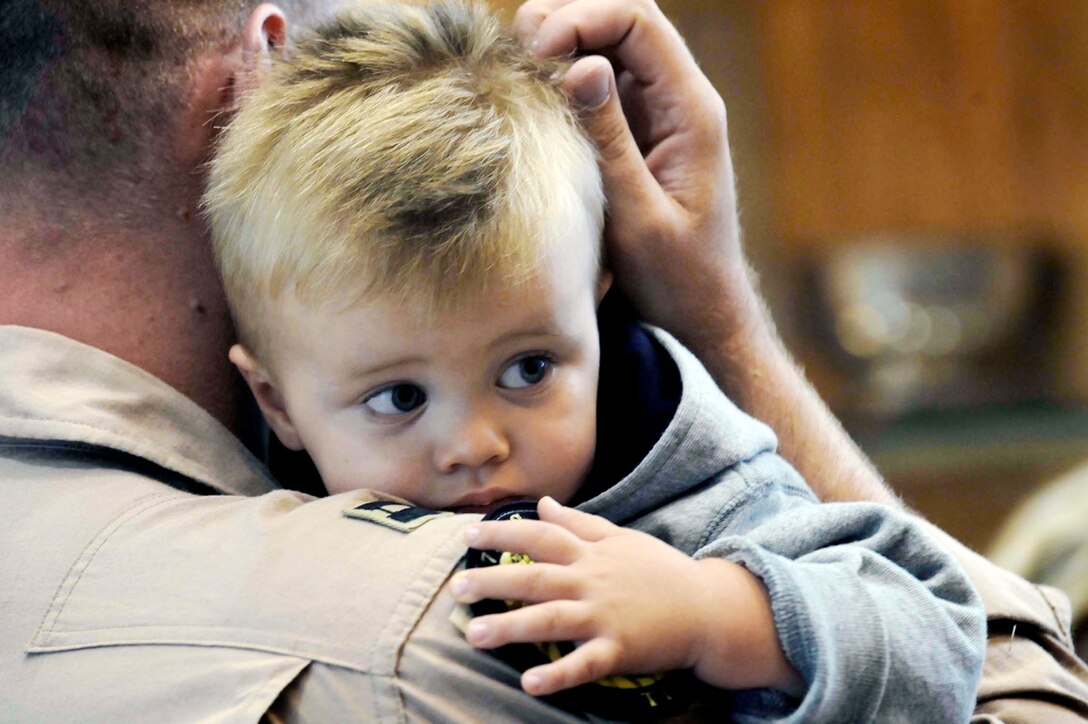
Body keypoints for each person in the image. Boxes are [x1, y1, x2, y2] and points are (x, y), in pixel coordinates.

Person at [0, 0, 1085, 721]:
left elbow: (925, 625)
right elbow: (1014, 692)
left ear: (598, 305)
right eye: (397, 395)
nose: (474, 443)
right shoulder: (411, 627)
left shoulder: (681, 479)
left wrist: (719, 609)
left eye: (527, 367)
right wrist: (727, 322)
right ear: (275, 398)